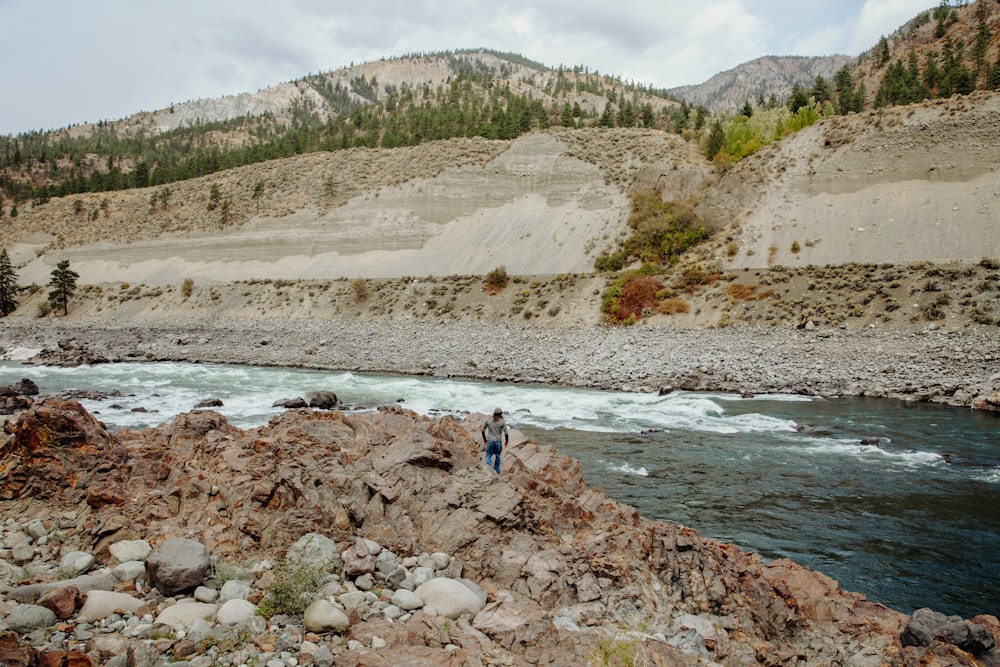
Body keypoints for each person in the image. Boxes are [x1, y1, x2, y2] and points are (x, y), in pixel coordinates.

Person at [482, 407, 509, 474]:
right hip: (498, 441)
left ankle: (489, 467)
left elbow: (482, 430)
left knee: (488, 455)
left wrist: (485, 440)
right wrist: (506, 442)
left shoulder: (489, 420)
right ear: (500, 414)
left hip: (490, 441)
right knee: (498, 455)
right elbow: (506, 433)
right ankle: (496, 470)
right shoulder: (502, 422)